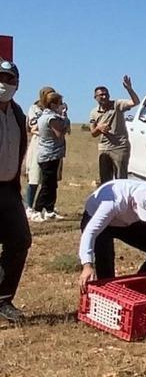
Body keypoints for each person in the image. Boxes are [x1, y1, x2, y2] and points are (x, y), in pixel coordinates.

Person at [0, 59, 31, 323]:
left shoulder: (18, 114)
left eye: (10, 80)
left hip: (8, 188)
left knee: (20, 240)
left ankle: (3, 299)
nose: (5, 84)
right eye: (1, 78)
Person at [89, 75, 140, 184]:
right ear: (95, 97)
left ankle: (121, 200)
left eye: (106, 94)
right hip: (104, 147)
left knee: (121, 179)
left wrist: (129, 89)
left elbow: (135, 102)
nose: (104, 96)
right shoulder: (94, 112)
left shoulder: (117, 105)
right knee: (105, 179)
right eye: (101, 95)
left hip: (120, 146)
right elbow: (93, 133)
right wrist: (99, 128)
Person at [33, 92, 71, 220]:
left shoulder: (47, 116)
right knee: (47, 184)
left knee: (52, 183)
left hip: (51, 154)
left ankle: (49, 209)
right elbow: (59, 133)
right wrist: (65, 122)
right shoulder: (51, 118)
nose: (62, 105)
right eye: (60, 103)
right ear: (53, 104)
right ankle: (37, 210)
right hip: (49, 154)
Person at [23, 86, 55, 220]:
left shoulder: (55, 108)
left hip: (52, 145)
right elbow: (33, 127)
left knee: (49, 179)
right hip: (39, 144)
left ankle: (48, 208)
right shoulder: (34, 108)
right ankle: (29, 207)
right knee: (34, 177)